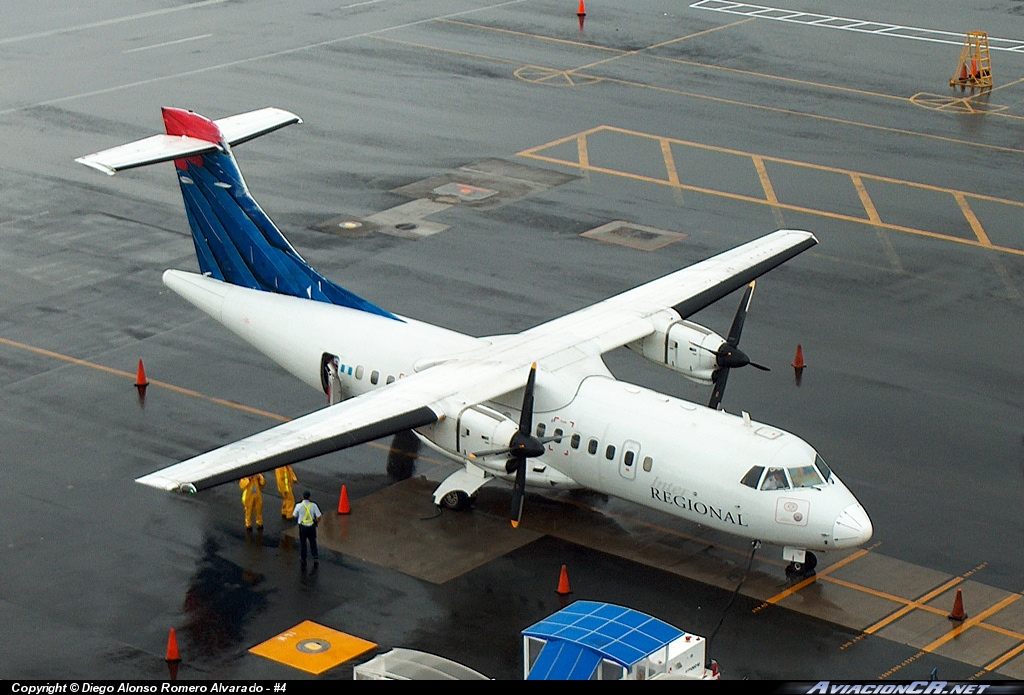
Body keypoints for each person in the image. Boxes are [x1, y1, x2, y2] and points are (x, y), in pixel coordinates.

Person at [293, 491, 322, 564]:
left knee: (303, 542)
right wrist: (316, 521)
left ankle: (303, 557)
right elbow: (319, 516)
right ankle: (315, 556)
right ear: (309, 497)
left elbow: (294, 515)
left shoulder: (298, 505)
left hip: (303, 527)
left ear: (302, 497)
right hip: (312, 526)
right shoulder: (314, 505)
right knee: (313, 541)